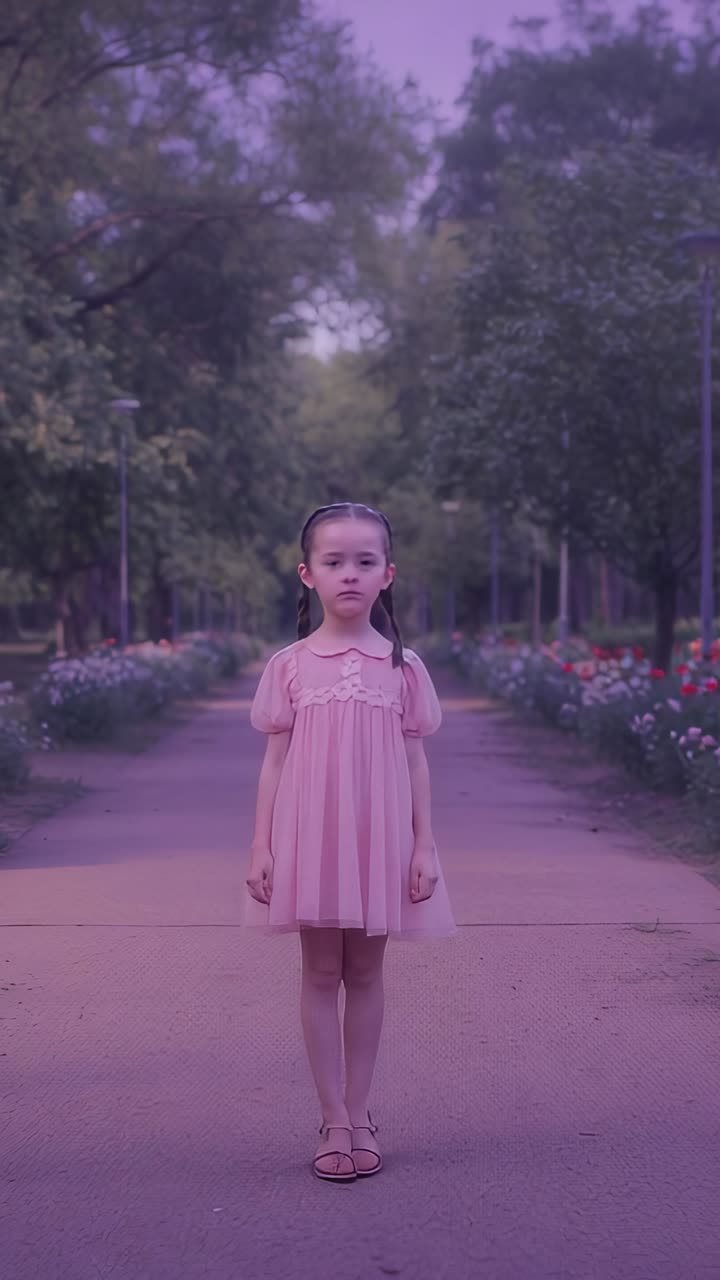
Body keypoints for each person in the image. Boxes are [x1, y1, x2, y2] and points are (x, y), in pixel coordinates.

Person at [244, 502, 457, 1183]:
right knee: (318, 973)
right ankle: (332, 1116)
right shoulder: (290, 667)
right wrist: (261, 847)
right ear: (307, 574)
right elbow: (274, 763)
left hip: (378, 840)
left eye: (366, 561)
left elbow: (417, 762)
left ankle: (361, 1114)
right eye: (334, 561)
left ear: (387, 574)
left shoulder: (403, 667)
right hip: (309, 837)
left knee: (365, 974)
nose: (350, 574)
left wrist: (424, 846)